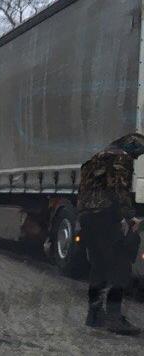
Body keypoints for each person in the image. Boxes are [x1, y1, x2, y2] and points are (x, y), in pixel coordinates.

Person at [77, 133, 143, 335]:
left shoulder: (95, 158)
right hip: (106, 217)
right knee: (120, 264)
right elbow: (119, 190)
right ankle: (115, 318)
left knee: (98, 266)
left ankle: (94, 315)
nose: (137, 157)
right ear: (130, 146)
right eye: (138, 152)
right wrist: (131, 218)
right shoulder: (121, 158)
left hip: (87, 217)